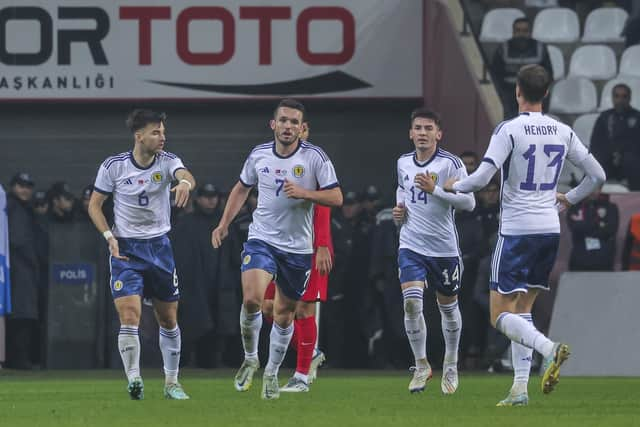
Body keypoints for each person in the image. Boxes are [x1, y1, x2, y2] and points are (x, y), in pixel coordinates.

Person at [444, 64, 606, 406]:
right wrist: (568, 199)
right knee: (522, 310)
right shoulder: (562, 130)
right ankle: (519, 388)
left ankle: (549, 349)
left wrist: (452, 185)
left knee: (499, 314)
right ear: (546, 93)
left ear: (517, 91)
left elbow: (483, 177)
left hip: (517, 230)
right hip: (549, 229)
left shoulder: (509, 129)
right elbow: (597, 176)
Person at [211, 98, 342, 400]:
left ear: (301, 127)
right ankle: (250, 358)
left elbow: (336, 197)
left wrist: (305, 193)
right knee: (252, 299)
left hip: (297, 250)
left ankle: (271, 372)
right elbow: (242, 187)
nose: (288, 126)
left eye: (294, 122)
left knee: (284, 316)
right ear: (273, 124)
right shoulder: (259, 155)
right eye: (283, 120)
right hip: (262, 240)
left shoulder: (315, 158)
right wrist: (223, 223)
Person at [88, 109, 196, 400]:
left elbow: (184, 175)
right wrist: (109, 237)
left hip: (159, 247)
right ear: (139, 136)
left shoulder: (168, 161)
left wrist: (185, 183)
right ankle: (134, 379)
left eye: (163, 132)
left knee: (168, 319)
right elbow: (94, 205)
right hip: (125, 249)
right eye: (156, 132)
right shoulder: (114, 166)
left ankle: (172, 382)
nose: (163, 137)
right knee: (130, 315)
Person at [392, 109, 475, 394]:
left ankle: (450, 363)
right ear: (410, 133)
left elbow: (469, 203)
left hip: (443, 249)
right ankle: (422, 364)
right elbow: (402, 191)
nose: (423, 133)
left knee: (447, 307)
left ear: (439, 134)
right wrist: (398, 211)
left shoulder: (451, 164)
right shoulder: (403, 162)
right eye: (418, 128)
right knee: (412, 304)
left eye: (429, 128)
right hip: (411, 244)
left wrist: (436, 190)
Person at [261, 122, 333, 392]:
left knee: (303, 308)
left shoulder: (314, 161)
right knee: (268, 306)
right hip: (277, 244)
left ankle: (301, 375)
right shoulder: (271, 159)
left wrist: (323, 245)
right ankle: (310, 353)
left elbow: (325, 202)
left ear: (306, 131)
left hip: (310, 245)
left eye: (299, 128)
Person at [5, 172, 40, 370]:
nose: (25, 190)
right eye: (20, 185)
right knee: (21, 315)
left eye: (28, 186)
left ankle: (16, 359)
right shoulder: (14, 207)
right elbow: (18, 240)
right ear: (13, 187)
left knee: (19, 315)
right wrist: (34, 261)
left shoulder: (21, 208)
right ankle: (18, 360)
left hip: (16, 269)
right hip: (19, 269)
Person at [491, 17, 553, 119]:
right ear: (513, 32)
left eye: (525, 31)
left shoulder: (540, 48)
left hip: (535, 93)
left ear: (530, 32)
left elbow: (548, 74)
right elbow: (495, 75)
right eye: (518, 31)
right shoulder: (503, 49)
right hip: (509, 92)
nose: (521, 34)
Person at [590, 83, 640, 190]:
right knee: (594, 166)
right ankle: (583, 202)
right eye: (617, 96)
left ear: (629, 98)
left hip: (629, 163)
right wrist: (611, 153)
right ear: (613, 98)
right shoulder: (604, 117)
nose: (620, 100)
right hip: (608, 161)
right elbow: (595, 144)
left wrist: (621, 153)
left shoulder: (637, 117)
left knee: (632, 162)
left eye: (624, 96)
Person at [566, 187, 619, 271]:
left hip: (604, 260)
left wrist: (586, 225)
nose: (592, 191)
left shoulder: (611, 207)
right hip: (579, 260)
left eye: (596, 188)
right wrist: (598, 225)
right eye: (589, 186)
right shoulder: (575, 207)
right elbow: (575, 228)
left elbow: (610, 230)